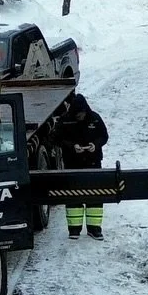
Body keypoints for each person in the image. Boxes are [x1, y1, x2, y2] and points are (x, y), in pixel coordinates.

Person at [56, 93, 109, 239]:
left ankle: (94, 228)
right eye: (77, 114)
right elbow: (56, 138)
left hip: (93, 163)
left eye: (82, 114)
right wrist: (72, 146)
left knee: (95, 195)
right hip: (72, 164)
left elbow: (104, 136)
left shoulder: (95, 119)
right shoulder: (65, 120)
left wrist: (95, 145)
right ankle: (74, 229)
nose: (80, 117)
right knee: (73, 196)